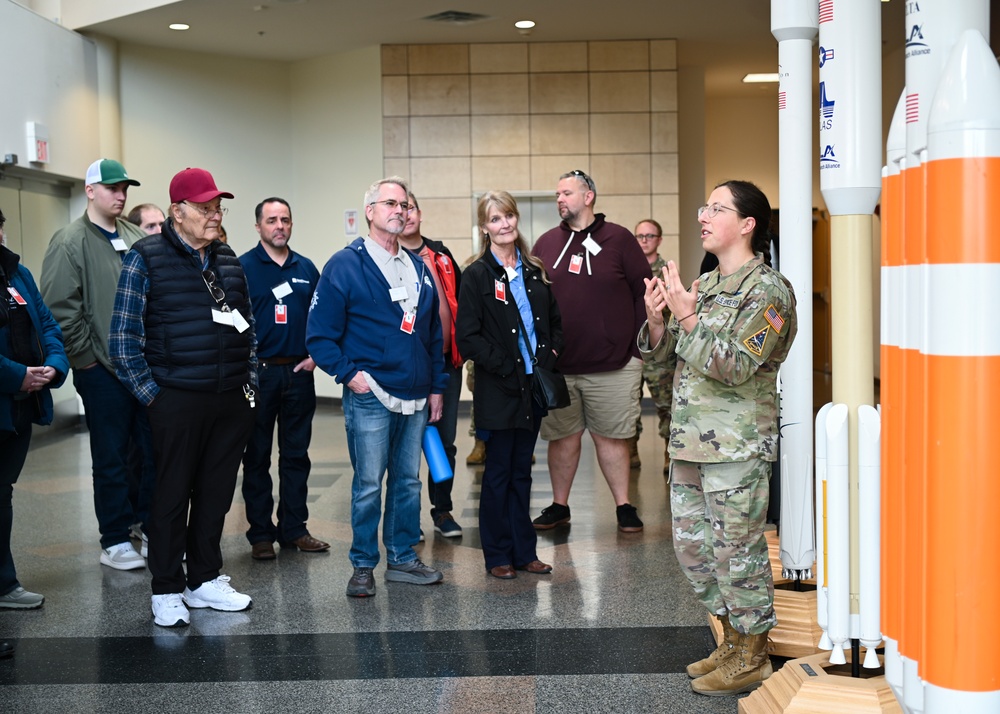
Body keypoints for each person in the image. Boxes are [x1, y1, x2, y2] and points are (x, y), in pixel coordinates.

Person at [638, 180, 797, 696]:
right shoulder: (704, 287)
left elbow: (735, 366)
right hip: (689, 444)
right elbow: (662, 362)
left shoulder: (768, 292)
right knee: (695, 551)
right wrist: (658, 321)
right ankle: (730, 640)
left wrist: (685, 315)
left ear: (747, 224)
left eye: (717, 208)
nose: (704, 215)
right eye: (703, 206)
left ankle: (753, 654)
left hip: (735, 448)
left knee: (738, 552)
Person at [110, 167, 256, 628]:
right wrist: (152, 396)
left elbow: (249, 330)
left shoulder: (228, 258)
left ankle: (204, 579)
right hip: (174, 398)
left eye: (218, 208)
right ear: (178, 211)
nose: (215, 217)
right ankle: (168, 587)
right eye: (206, 208)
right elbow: (122, 338)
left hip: (229, 398)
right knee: (171, 495)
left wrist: (248, 384)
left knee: (215, 494)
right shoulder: (145, 257)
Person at [306, 176, 447, 598]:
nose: (399, 211)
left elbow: (432, 336)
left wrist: (437, 386)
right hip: (371, 395)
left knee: (407, 482)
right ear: (370, 212)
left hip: (417, 394)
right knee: (369, 484)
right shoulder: (344, 265)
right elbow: (319, 336)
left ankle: (402, 558)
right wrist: (351, 376)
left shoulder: (418, 267)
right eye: (390, 203)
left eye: (405, 205)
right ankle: (363, 564)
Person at [40, 159, 152, 571]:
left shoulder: (136, 236)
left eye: (125, 188)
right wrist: (86, 362)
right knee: (111, 457)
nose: (120, 195)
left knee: (151, 452)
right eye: (111, 188)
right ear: (90, 191)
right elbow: (60, 310)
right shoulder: (70, 241)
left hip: (141, 368)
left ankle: (151, 526)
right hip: (101, 371)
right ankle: (116, 540)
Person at [530, 170, 650, 533]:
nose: (560, 200)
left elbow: (643, 292)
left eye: (566, 192)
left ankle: (624, 506)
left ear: (589, 196)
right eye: (557, 194)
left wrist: (637, 350)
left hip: (613, 364)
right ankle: (559, 505)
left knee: (612, 438)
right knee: (561, 439)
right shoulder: (546, 243)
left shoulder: (619, 239)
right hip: (560, 366)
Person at [456, 191, 561, 579]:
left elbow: (554, 324)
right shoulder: (476, 275)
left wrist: (547, 358)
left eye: (509, 217)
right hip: (498, 388)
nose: (505, 225)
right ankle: (497, 554)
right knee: (498, 473)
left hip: (533, 387)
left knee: (522, 471)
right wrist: (506, 365)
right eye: (496, 219)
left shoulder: (534, 270)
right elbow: (468, 337)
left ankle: (524, 552)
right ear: (485, 227)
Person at [239, 197, 328, 560]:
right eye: (272, 220)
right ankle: (261, 533)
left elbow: (325, 317)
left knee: (296, 456)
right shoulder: (241, 267)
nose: (279, 226)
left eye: (285, 220)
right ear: (258, 226)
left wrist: (315, 358)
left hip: (298, 374)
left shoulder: (306, 267)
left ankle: (294, 529)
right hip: (257, 374)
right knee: (257, 456)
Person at [0, 207, 69, 611]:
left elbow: (49, 326)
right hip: (9, 393)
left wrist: (55, 366)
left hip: (20, 409)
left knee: (2, 495)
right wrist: (17, 375)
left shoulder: (17, 275)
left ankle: (5, 584)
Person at [398, 192, 464, 539]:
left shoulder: (441, 254)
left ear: (420, 214)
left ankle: (442, 511)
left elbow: (460, 300)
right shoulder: (389, 257)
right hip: (408, 368)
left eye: (410, 208)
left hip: (447, 366)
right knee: (408, 444)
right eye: (399, 208)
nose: (405, 214)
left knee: (444, 442)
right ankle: (409, 519)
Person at [631, 218, 673, 474]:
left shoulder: (667, 272)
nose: (644, 240)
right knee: (629, 404)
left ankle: (670, 453)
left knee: (666, 405)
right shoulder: (628, 268)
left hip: (659, 352)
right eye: (640, 236)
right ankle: (630, 452)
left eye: (649, 236)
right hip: (632, 350)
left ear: (659, 239)